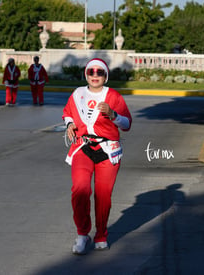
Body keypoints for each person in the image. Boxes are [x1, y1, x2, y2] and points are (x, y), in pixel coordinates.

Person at [62, 58, 132, 255]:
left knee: (103, 196)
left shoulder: (114, 96)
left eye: (99, 72)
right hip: (83, 146)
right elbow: (68, 113)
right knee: (80, 189)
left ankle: (101, 234)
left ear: (105, 76)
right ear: (86, 74)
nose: (94, 75)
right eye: (91, 71)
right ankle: (82, 234)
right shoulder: (77, 94)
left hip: (108, 149)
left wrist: (113, 114)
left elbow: (126, 124)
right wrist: (69, 124)